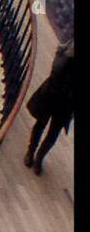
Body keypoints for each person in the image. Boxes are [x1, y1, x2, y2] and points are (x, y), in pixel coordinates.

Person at [25, 42, 75, 175]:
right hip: (53, 92)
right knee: (41, 123)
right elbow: (57, 65)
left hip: (68, 102)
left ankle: (39, 159)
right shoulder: (70, 50)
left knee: (53, 133)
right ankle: (31, 151)